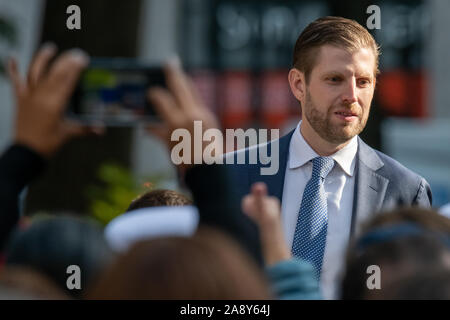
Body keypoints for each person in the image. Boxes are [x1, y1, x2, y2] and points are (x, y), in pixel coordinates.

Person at [225, 16, 432, 299]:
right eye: (335, 79)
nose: (351, 95)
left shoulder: (404, 190)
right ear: (299, 84)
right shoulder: (233, 174)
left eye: (363, 81)